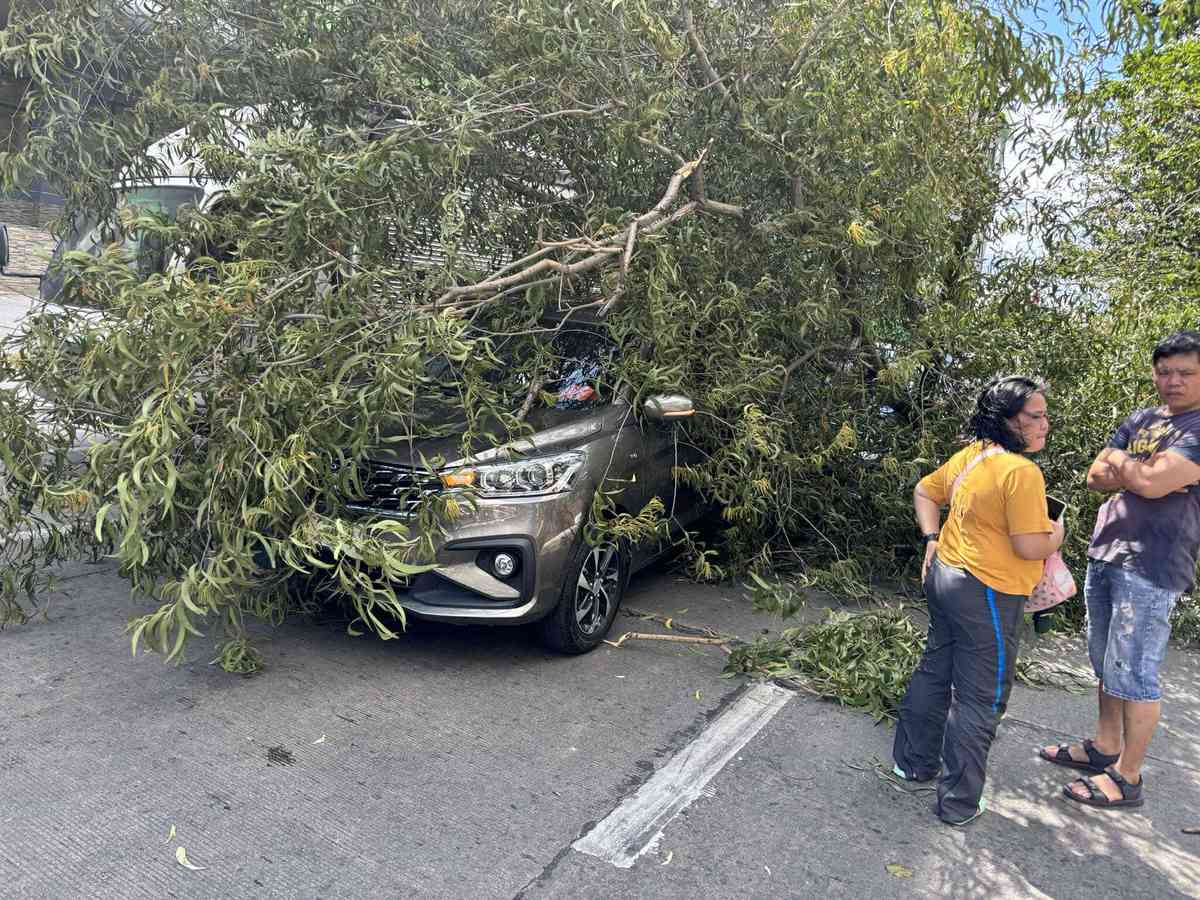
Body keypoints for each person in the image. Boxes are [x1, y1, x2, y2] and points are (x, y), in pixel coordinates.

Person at [894, 376, 1064, 825]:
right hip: (987, 591)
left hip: (945, 577)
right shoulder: (1021, 472)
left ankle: (912, 763)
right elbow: (1031, 546)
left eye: (1045, 414)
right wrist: (1060, 532)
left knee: (935, 670)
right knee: (980, 697)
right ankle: (958, 804)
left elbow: (924, 491)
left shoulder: (974, 456)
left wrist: (932, 539)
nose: (1046, 423)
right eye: (1036, 416)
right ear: (1008, 420)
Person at [1041, 330, 1200, 810]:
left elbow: (1150, 485)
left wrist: (1127, 465)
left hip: (1153, 562)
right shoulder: (1144, 418)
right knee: (1106, 662)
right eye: (1165, 371)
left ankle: (1128, 777)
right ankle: (1104, 747)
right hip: (1107, 552)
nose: (1172, 381)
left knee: (1135, 670)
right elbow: (1095, 476)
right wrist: (1141, 470)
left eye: (1186, 373)